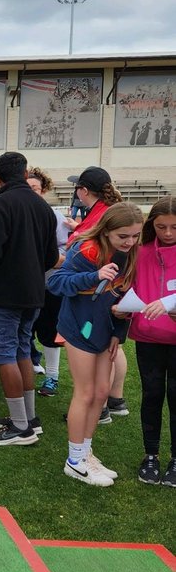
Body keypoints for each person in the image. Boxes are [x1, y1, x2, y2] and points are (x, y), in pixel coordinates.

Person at [47, 203, 144, 486]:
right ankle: (74, 460)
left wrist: (119, 332)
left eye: (135, 235)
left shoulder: (132, 254)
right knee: (86, 393)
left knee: (102, 393)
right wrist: (94, 275)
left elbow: (126, 297)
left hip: (106, 330)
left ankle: (86, 453)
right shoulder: (86, 248)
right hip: (79, 327)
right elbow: (56, 284)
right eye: (123, 236)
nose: (130, 242)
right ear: (107, 231)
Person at [0, 152, 58, 446]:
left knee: (6, 353)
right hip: (33, 292)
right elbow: (51, 256)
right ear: (25, 171)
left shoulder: (0, 205)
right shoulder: (42, 207)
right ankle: (28, 418)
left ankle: (21, 427)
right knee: (21, 350)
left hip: (6, 294)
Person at [66, 167, 129, 418]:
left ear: (83, 190)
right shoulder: (107, 210)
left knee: (102, 346)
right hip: (114, 286)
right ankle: (115, 400)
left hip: (103, 289)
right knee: (114, 346)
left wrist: (75, 237)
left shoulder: (103, 215)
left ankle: (100, 407)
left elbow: (87, 245)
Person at [128, 196, 176, 486]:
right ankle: (151, 455)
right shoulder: (140, 252)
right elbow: (128, 287)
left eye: (174, 227)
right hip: (148, 338)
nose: (168, 233)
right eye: (161, 227)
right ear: (151, 225)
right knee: (152, 395)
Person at [26, 167, 73, 398]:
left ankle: (52, 377)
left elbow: (65, 249)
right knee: (24, 331)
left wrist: (50, 258)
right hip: (24, 285)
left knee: (49, 331)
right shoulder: (17, 212)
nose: (32, 192)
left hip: (49, 284)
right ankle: (26, 371)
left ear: (43, 190)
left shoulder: (54, 216)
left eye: (35, 188)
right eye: (28, 188)